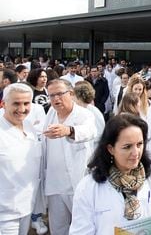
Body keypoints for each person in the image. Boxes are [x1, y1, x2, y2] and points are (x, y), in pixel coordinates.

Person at [70, 114, 151, 235]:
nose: (135, 152)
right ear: (111, 149)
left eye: (139, 144)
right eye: (127, 147)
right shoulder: (88, 188)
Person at [43, 79, 97, 235]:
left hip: (77, 182)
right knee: (58, 227)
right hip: (55, 184)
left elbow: (90, 131)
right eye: (51, 95)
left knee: (83, 226)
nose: (55, 99)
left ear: (71, 94)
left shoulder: (85, 114)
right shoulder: (51, 113)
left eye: (60, 94)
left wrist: (69, 130)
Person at [0, 83, 42, 235]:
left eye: (26, 103)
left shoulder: (30, 126)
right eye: (16, 103)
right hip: (4, 214)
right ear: (3, 104)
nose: (22, 109)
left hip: (26, 208)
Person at [73, 81, 105, 148]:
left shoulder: (94, 112)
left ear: (79, 96)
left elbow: (99, 133)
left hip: (92, 149)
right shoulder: (76, 109)